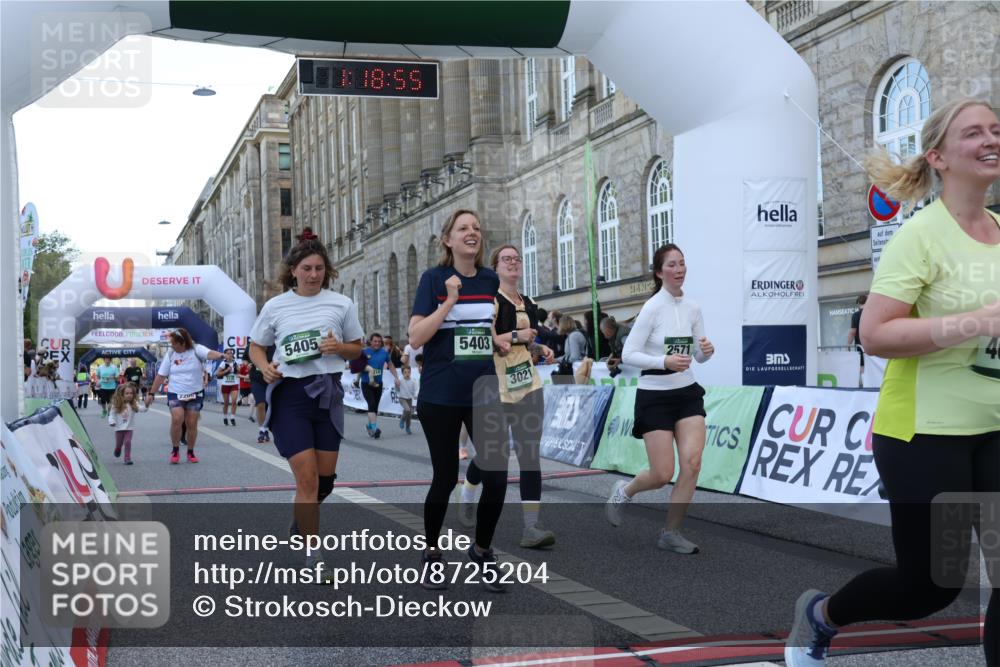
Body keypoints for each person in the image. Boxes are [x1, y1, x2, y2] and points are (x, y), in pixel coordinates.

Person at [785, 98, 1000, 666]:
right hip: (925, 433)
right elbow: (874, 333)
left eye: (996, 130)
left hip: (996, 426)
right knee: (930, 586)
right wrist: (976, 322)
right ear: (938, 157)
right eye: (973, 132)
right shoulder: (920, 235)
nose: (990, 139)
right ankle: (821, 616)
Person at [248, 237, 364, 578]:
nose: (313, 275)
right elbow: (256, 346)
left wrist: (339, 346)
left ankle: (301, 520)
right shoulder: (276, 307)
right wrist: (263, 366)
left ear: (326, 271)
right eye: (306, 269)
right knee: (308, 478)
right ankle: (315, 555)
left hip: (327, 393)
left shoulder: (341, 304)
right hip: (290, 396)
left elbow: (357, 349)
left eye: (318, 269)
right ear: (293, 271)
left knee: (325, 481)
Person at [408, 209, 505, 592]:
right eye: (463, 228)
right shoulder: (433, 279)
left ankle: (482, 551)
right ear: (447, 240)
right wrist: (447, 302)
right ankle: (431, 554)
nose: (472, 233)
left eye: (477, 228)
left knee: (496, 476)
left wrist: (498, 338)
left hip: (482, 389)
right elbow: (416, 336)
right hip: (441, 392)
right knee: (445, 477)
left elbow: (485, 326)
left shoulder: (490, 279)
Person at [605, 243, 715, 555]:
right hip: (654, 396)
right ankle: (625, 491)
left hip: (687, 392)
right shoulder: (652, 308)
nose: (679, 269)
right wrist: (662, 362)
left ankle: (671, 532)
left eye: (682, 263)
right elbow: (628, 354)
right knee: (662, 473)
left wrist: (706, 353)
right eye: (671, 265)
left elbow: (696, 356)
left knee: (692, 463)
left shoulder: (693, 307)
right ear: (659, 272)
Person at [458, 244, 557, 549]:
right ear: (495, 267)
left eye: (517, 259)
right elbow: (475, 344)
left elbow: (525, 345)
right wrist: (516, 336)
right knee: (491, 456)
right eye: (506, 259)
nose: (513, 263)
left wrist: (540, 350)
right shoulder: (490, 301)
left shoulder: (528, 301)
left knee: (529, 454)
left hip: (528, 386)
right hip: (496, 388)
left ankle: (531, 528)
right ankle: (468, 491)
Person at [145, 328, 224, 463]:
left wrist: (222, 356)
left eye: (174, 343)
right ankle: (175, 450)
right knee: (177, 419)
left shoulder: (196, 349)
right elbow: (161, 375)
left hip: (195, 392)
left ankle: (190, 451)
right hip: (176, 392)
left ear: (182, 343)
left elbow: (210, 354)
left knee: (191, 423)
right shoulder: (170, 354)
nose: (172, 346)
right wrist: (151, 393)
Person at [359, 333, 400, 438]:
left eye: (379, 341)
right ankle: (375, 428)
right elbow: (356, 366)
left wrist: (396, 377)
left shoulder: (384, 352)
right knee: (371, 404)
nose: (377, 343)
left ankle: (369, 426)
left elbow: (390, 365)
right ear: (371, 341)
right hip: (366, 383)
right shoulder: (364, 352)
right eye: (375, 341)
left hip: (378, 384)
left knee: (375, 407)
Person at [245, 340, 275, 444]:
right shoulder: (252, 345)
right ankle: (263, 430)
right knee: (260, 403)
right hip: (257, 379)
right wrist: (248, 364)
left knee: (270, 405)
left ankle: (269, 427)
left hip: (272, 379)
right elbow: (245, 360)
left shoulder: (275, 345)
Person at [108, 383, 146, 465]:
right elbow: (112, 414)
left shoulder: (133, 403)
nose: (129, 395)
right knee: (119, 444)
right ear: (122, 394)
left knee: (128, 442)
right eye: (127, 393)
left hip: (129, 428)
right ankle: (118, 449)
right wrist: (112, 421)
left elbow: (142, 409)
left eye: (131, 393)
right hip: (118, 428)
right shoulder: (116, 404)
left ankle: (127, 458)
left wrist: (147, 404)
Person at [215, 349, 241, 426]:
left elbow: (239, 372)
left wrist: (239, 369)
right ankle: (225, 417)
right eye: (228, 353)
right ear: (225, 354)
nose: (230, 355)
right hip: (225, 385)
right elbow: (218, 374)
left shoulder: (235, 362)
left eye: (231, 353)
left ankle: (232, 417)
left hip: (234, 384)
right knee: (226, 403)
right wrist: (226, 370)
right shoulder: (223, 363)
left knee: (234, 401)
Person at [846, 294, 867, 387]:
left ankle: (864, 385)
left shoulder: (856, 315)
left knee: (862, 366)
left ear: (858, 303)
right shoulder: (872, 314)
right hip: (873, 345)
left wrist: (848, 344)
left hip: (860, 345)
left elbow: (852, 332)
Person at [397, 365, 417, 435]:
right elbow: (397, 388)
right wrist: (397, 384)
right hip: (402, 398)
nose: (407, 374)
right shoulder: (400, 379)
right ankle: (402, 419)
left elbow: (416, 389)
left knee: (409, 415)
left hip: (409, 399)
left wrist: (415, 395)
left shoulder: (413, 380)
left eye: (408, 372)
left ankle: (408, 427)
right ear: (402, 373)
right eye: (405, 372)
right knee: (407, 410)